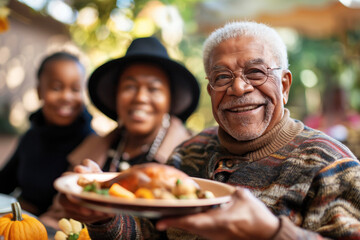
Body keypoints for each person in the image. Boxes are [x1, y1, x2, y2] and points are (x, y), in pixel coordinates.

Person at [61, 21, 360, 240]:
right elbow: (150, 231)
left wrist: (272, 232)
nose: (239, 87)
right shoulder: (189, 154)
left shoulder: (331, 165)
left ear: (283, 85)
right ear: (210, 90)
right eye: (222, 76)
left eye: (255, 72)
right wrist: (105, 217)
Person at [66, 36, 200, 172]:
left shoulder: (195, 155)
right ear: (116, 94)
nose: (140, 98)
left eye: (153, 89)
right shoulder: (91, 148)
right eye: (129, 87)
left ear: (170, 100)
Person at [0, 52, 94, 216]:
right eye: (56, 88)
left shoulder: (93, 143)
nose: (66, 97)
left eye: (75, 89)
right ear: (39, 91)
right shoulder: (31, 136)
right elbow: (4, 184)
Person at [304, 84, 360, 158]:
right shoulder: (314, 120)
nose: (339, 105)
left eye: (341, 101)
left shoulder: (353, 118)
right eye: (335, 102)